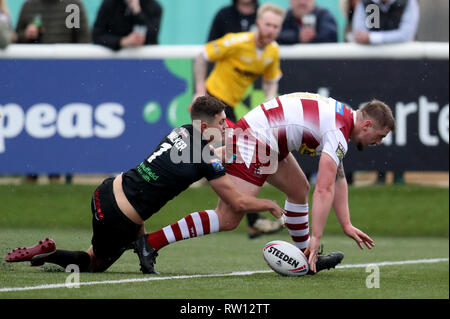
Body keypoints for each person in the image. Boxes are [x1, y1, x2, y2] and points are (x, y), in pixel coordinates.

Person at [5, 96, 285, 273]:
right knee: (94, 263)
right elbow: (237, 203)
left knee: (138, 238)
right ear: (206, 124)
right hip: (118, 215)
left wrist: (230, 151)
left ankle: (144, 248)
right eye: (222, 122)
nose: (226, 127)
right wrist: (269, 204)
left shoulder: (182, 131)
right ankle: (49, 251)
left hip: (107, 190)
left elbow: (206, 156)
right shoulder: (205, 158)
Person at [137, 92, 396, 274]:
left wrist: (346, 223)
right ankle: (150, 243)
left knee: (299, 189)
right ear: (367, 124)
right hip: (258, 138)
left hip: (268, 138)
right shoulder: (338, 132)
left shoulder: (343, 119)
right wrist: (317, 235)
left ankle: (306, 257)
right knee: (228, 218)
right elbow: (325, 187)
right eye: (379, 136)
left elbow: (338, 178)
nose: (378, 143)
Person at [194, 3, 285, 239]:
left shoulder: (272, 51)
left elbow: (271, 79)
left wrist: (269, 101)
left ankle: (251, 219)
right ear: (258, 23)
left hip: (229, 107)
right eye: (267, 24)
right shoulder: (236, 41)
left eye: (276, 26)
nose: (271, 30)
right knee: (241, 155)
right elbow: (201, 56)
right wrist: (199, 92)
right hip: (213, 103)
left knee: (232, 159)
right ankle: (253, 219)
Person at [352, 0, 418, 184]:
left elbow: (406, 34)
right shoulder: (367, 4)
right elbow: (359, 33)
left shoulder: (407, 3)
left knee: (404, 118)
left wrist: (373, 39)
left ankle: (398, 173)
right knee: (377, 120)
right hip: (374, 69)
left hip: (403, 70)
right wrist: (378, 39)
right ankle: (380, 172)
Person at [93, 0, 162, 51]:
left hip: (146, 61)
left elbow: (152, 36)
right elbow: (97, 36)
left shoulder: (154, 7)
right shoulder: (109, 4)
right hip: (115, 60)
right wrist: (122, 41)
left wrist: (137, 12)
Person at [15, 0, 90, 44]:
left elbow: (84, 40)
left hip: (65, 63)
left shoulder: (73, 6)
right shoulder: (28, 6)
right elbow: (16, 39)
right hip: (36, 63)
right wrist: (26, 35)